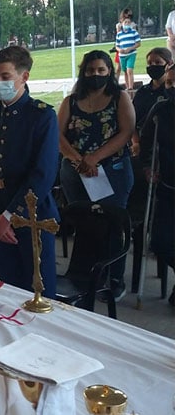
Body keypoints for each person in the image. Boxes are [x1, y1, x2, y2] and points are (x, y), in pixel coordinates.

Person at [0, 46, 59, 297]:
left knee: (38, 292)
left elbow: (42, 174)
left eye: (6, 77)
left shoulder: (41, 116)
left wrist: (9, 216)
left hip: (31, 216)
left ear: (24, 77)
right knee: (7, 293)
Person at [57, 50, 135, 299]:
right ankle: (84, 277)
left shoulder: (119, 97)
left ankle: (113, 279)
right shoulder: (70, 101)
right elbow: (57, 136)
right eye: (91, 70)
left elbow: (126, 132)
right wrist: (79, 160)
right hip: (76, 172)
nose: (96, 75)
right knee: (85, 222)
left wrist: (95, 158)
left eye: (101, 70)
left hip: (112, 171)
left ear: (109, 72)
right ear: (84, 72)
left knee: (111, 224)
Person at [140, 95, 175, 305]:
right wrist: (147, 165)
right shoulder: (161, 109)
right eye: (170, 83)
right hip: (168, 186)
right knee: (160, 242)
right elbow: (146, 139)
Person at [116, 16, 141, 91]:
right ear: (122, 24)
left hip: (131, 54)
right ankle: (127, 86)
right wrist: (119, 50)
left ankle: (131, 86)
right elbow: (117, 45)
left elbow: (138, 43)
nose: (127, 24)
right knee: (125, 71)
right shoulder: (119, 34)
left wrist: (130, 48)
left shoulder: (134, 32)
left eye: (128, 22)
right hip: (122, 55)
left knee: (129, 69)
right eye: (125, 22)